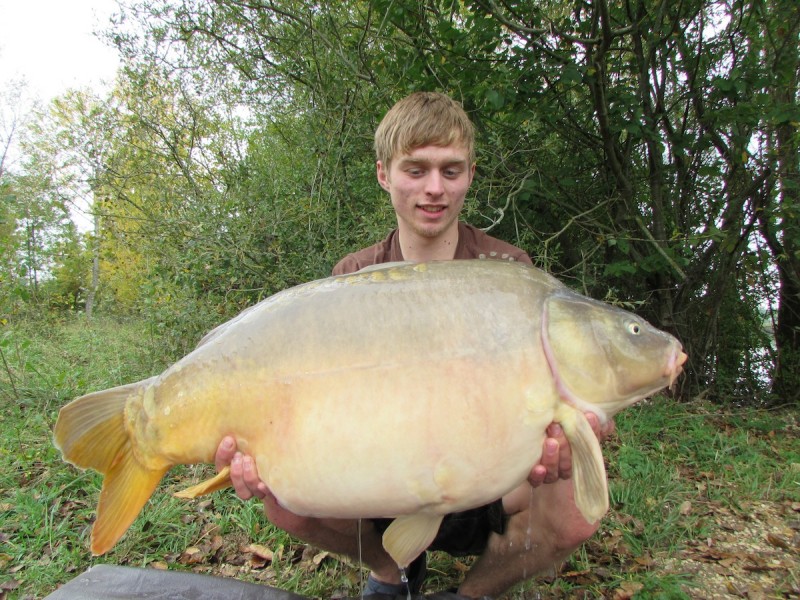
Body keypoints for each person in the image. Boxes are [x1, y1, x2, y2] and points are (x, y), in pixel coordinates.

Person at [215, 92, 612, 599]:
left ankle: (469, 594)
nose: (434, 189)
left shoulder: (508, 272)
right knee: (281, 502)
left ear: (470, 173)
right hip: (382, 476)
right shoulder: (353, 277)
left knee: (575, 509)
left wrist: (579, 422)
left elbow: (565, 384)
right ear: (384, 174)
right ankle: (390, 570)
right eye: (416, 169)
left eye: (451, 171)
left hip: (485, 475)